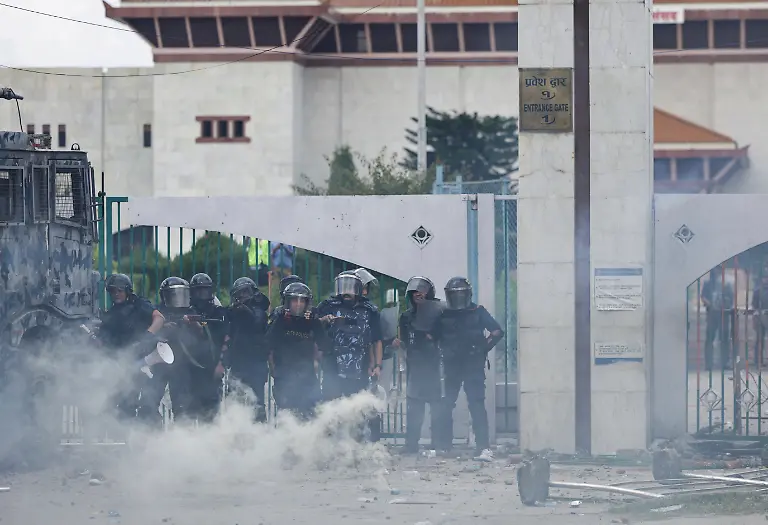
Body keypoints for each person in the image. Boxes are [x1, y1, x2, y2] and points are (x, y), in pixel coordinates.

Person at [432, 277, 503, 462]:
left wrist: (482, 349)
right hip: (452, 365)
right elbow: (433, 337)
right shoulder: (444, 314)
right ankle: (444, 446)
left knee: (476, 404)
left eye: (460, 294)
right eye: (454, 295)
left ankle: (483, 447)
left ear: (467, 294)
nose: (457, 298)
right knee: (446, 404)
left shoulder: (477, 311)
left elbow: (496, 331)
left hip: (473, 365)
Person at [316, 272, 383, 442]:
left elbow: (376, 340)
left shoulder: (369, 310)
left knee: (357, 407)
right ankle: (329, 446)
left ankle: (355, 446)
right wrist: (324, 320)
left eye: (350, 287)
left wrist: (377, 365)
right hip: (332, 363)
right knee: (331, 406)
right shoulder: (327, 306)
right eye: (343, 286)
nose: (346, 291)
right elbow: (313, 329)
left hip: (360, 364)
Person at [94, 273, 166, 426]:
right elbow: (104, 343)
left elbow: (159, 318)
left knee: (149, 406)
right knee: (125, 406)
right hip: (125, 365)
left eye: (119, 290)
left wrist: (147, 337)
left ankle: (154, 442)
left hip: (147, 362)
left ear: (127, 290)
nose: (116, 294)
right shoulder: (110, 315)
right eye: (113, 291)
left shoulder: (139, 304)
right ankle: (127, 442)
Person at [164, 273, 226, 423]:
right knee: (185, 411)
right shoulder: (184, 309)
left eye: (205, 291)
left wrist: (198, 327)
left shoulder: (218, 311)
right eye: (199, 291)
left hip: (209, 367)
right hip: (188, 369)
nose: (202, 295)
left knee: (210, 412)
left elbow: (221, 338)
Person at [393, 276, 443, 454]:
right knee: (414, 407)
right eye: (415, 292)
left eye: (422, 292)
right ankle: (411, 444)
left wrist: (432, 336)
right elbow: (405, 340)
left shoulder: (438, 313)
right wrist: (399, 344)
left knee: (436, 406)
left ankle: (439, 443)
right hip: (415, 364)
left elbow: (443, 336)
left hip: (434, 364)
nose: (418, 295)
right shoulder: (406, 317)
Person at [266, 282, 328, 420]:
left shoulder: (313, 322)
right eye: (294, 300)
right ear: (287, 302)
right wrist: (274, 369)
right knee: (289, 416)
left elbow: (325, 345)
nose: (298, 304)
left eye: (302, 300)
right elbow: (268, 345)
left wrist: (317, 361)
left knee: (314, 414)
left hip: (308, 377)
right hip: (284, 376)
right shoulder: (280, 320)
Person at [220, 276, 271, 422]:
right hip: (237, 363)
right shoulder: (234, 313)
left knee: (257, 405)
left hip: (256, 364)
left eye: (245, 292)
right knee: (234, 402)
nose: (242, 297)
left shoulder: (259, 311)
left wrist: (245, 311)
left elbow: (257, 322)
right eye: (239, 294)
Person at [701, 268, 734, 371]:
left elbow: (731, 298)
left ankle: (725, 363)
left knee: (724, 339)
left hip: (723, 313)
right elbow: (703, 297)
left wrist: (724, 304)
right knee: (710, 339)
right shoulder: (708, 284)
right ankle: (709, 364)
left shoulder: (726, 284)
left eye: (719, 271)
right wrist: (709, 304)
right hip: (712, 314)